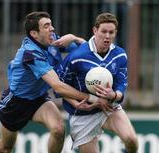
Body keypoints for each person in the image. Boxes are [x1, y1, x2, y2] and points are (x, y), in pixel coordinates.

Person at [0, 11, 113, 153]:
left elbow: (87, 51)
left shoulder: (52, 40)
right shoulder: (30, 54)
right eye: (46, 26)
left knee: (58, 130)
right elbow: (57, 86)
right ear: (34, 34)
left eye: (51, 25)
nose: (52, 29)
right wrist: (93, 98)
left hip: (38, 99)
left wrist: (75, 38)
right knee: (4, 148)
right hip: (16, 103)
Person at [57, 12, 138, 153]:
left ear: (115, 33)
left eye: (111, 32)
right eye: (104, 31)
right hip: (83, 114)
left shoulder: (120, 54)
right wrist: (75, 103)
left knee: (132, 141)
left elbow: (121, 83)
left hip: (108, 107)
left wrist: (114, 95)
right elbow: (60, 87)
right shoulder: (76, 57)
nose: (107, 36)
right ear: (95, 30)